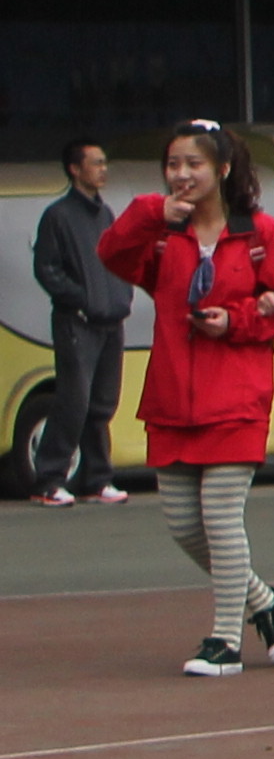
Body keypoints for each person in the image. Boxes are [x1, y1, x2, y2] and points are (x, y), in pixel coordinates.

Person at [99, 123, 274, 677]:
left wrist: (237, 320)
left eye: (194, 164)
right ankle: (266, 601)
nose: (182, 175)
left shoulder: (258, 233)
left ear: (223, 170)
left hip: (236, 397)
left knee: (219, 516)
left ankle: (224, 642)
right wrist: (151, 212)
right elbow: (111, 253)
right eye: (173, 165)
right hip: (171, 398)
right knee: (183, 525)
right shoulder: (162, 235)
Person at [31, 137, 132, 503]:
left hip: (110, 320)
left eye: (105, 162)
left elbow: (117, 260)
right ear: (75, 169)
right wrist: (82, 300)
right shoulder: (58, 216)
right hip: (76, 322)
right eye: (96, 163)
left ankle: (97, 479)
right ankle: (49, 479)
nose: (103, 169)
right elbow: (46, 268)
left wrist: (120, 295)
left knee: (102, 403)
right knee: (73, 401)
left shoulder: (105, 214)